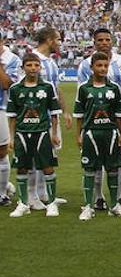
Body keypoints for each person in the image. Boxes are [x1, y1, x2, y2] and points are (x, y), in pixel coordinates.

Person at [76, 28, 121, 211]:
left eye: (108, 39)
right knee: (97, 159)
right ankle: (98, 198)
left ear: (112, 41)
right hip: (95, 121)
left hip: (118, 116)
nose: (104, 42)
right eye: (100, 39)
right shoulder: (85, 65)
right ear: (94, 42)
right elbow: (83, 95)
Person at [6, 53, 63, 218]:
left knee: (47, 167)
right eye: (29, 65)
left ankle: (51, 203)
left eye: (36, 65)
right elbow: (12, 116)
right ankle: (23, 203)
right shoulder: (16, 89)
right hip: (22, 134)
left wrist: (54, 134)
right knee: (22, 167)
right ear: (23, 67)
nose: (33, 68)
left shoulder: (46, 87)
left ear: (40, 67)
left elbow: (54, 113)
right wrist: (11, 138)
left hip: (42, 132)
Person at [30, 27, 68, 212]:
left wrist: (65, 111)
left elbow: (56, 88)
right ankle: (32, 197)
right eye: (58, 39)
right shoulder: (32, 59)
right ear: (48, 39)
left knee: (49, 154)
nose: (60, 42)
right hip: (37, 116)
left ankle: (43, 192)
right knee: (37, 155)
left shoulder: (51, 62)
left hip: (51, 114)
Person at [0, 35, 21, 207]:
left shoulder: (12, 59)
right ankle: (5, 185)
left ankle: (2, 194)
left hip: (2, 108)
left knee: (1, 152)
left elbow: (8, 84)